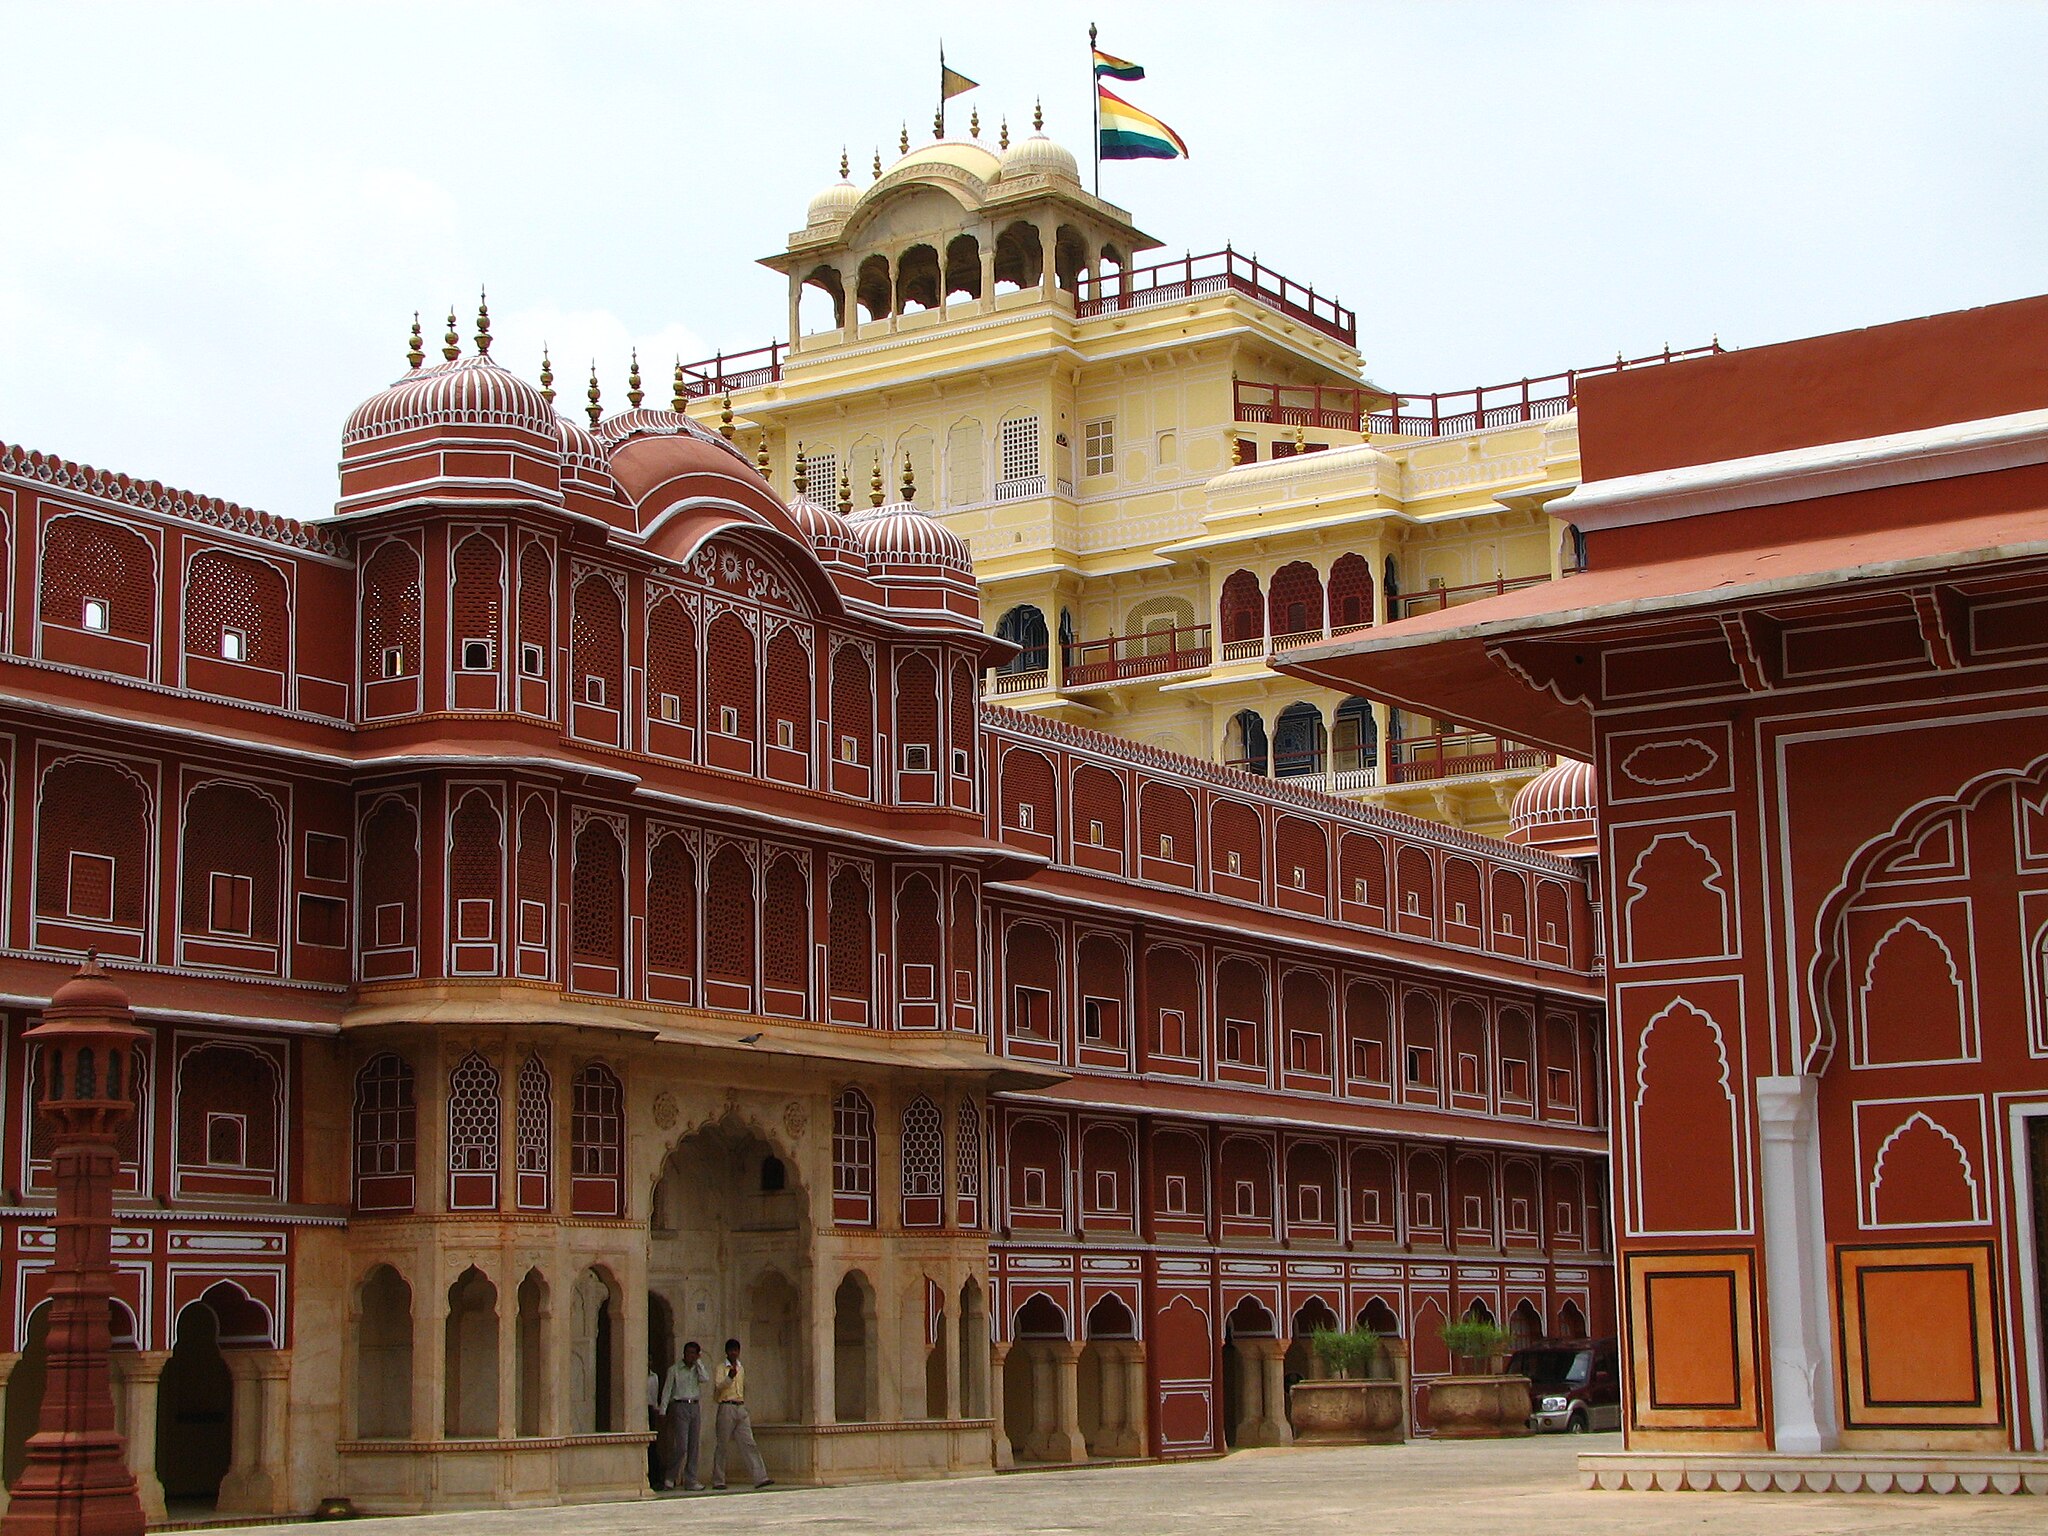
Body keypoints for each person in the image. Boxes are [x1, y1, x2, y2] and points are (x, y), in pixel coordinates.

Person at [710, 1337, 772, 1490]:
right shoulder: (721, 1368)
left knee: (749, 1443)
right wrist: (729, 1377)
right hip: (726, 1406)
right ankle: (718, 1480)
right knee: (722, 1445)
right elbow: (718, 1387)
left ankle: (760, 1477)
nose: (734, 1353)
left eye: (736, 1350)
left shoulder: (741, 1368)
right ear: (727, 1352)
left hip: (740, 1407)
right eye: (731, 1350)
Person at [658, 1340, 711, 1490]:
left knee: (694, 1445)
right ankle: (670, 1476)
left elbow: (705, 1378)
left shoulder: (697, 1369)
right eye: (688, 1353)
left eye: (693, 1353)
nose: (690, 1356)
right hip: (680, 1405)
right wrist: (663, 1410)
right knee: (681, 1445)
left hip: (694, 1405)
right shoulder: (674, 1369)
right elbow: (667, 1390)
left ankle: (691, 1479)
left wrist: (698, 1363)